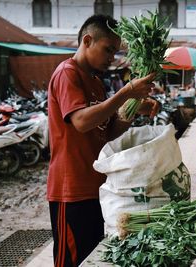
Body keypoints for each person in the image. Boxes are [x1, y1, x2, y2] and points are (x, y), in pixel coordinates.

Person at [46, 14, 159, 267]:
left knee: (93, 259)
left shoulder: (96, 82)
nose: (112, 58)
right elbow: (81, 122)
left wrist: (132, 108)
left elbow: (105, 133)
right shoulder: (67, 73)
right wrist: (126, 92)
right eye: (108, 49)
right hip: (71, 190)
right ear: (87, 40)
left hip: (97, 187)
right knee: (71, 261)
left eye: (115, 51)